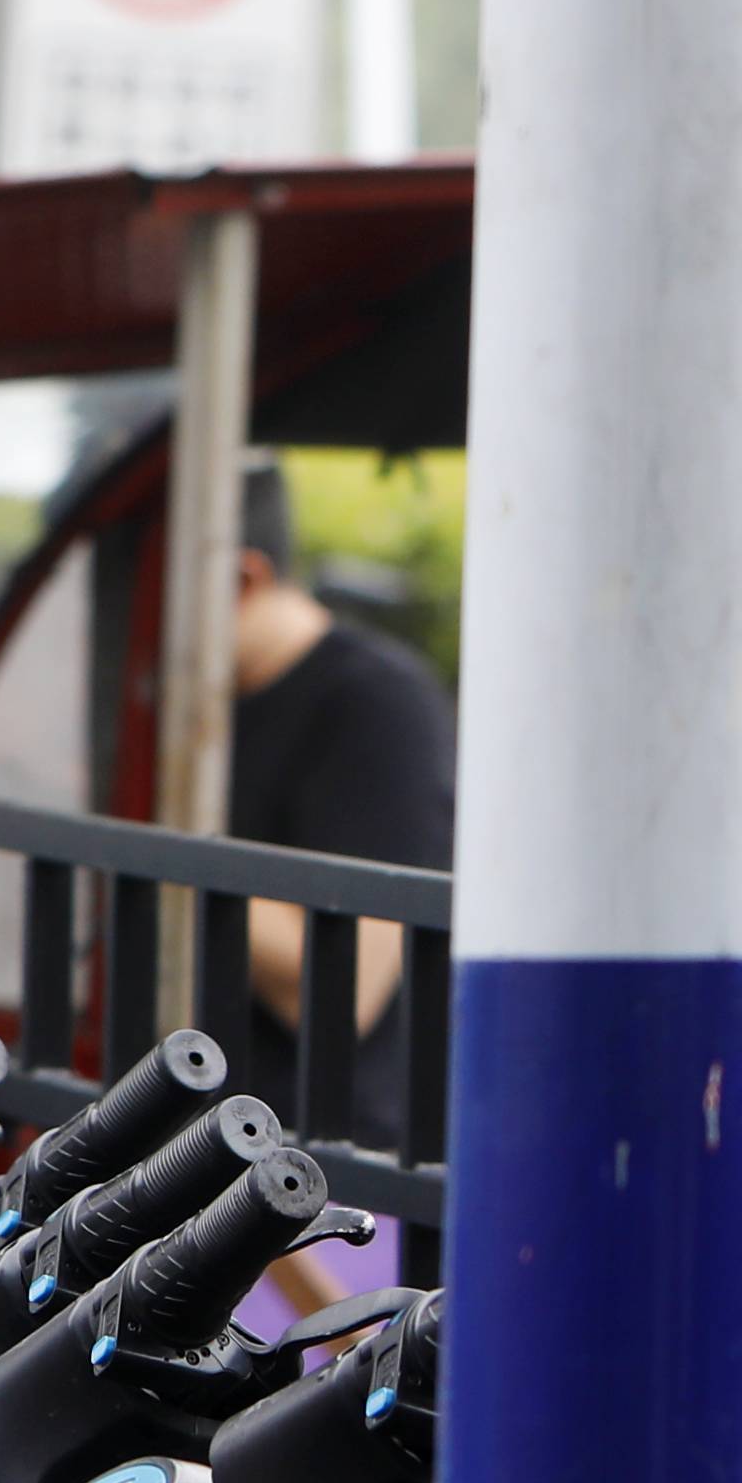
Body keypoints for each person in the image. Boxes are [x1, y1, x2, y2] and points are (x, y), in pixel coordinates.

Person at [213, 457, 456, 1118]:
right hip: (206, 1147)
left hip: (326, 1173)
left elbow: (343, 990)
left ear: (242, 578)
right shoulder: (202, 706)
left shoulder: (377, 704)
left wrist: (170, 851)